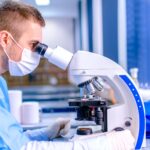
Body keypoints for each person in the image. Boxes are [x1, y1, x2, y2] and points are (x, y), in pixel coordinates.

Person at [0, 1, 135, 150]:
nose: (37, 53)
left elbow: (14, 141)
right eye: (33, 45)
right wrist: (96, 146)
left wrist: (45, 133)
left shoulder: (1, 84)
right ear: (5, 39)